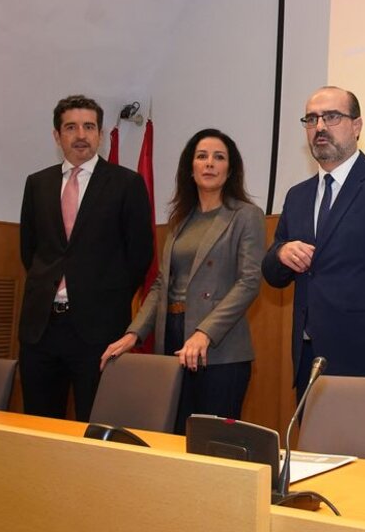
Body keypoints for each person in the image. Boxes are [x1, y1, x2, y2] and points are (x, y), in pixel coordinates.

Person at [262, 86, 365, 397]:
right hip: (309, 366)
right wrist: (281, 253)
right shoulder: (297, 195)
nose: (320, 127)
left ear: (356, 126)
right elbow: (274, 274)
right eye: (312, 119)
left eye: (332, 117)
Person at [102, 129, 264, 431]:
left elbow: (249, 282)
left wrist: (205, 333)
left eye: (219, 157)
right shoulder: (180, 220)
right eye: (201, 156)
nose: (209, 163)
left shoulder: (246, 215)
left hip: (220, 347)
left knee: (212, 441)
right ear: (190, 168)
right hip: (173, 339)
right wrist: (134, 333)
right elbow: (161, 285)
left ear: (230, 170)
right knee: (174, 435)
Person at [19, 95, 154, 421]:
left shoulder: (126, 184)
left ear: (100, 133)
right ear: (57, 135)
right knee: (38, 426)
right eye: (71, 127)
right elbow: (30, 250)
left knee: (94, 428)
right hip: (42, 329)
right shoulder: (37, 184)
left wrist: (105, 298)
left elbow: (140, 255)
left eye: (89, 126)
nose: (81, 134)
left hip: (99, 331)